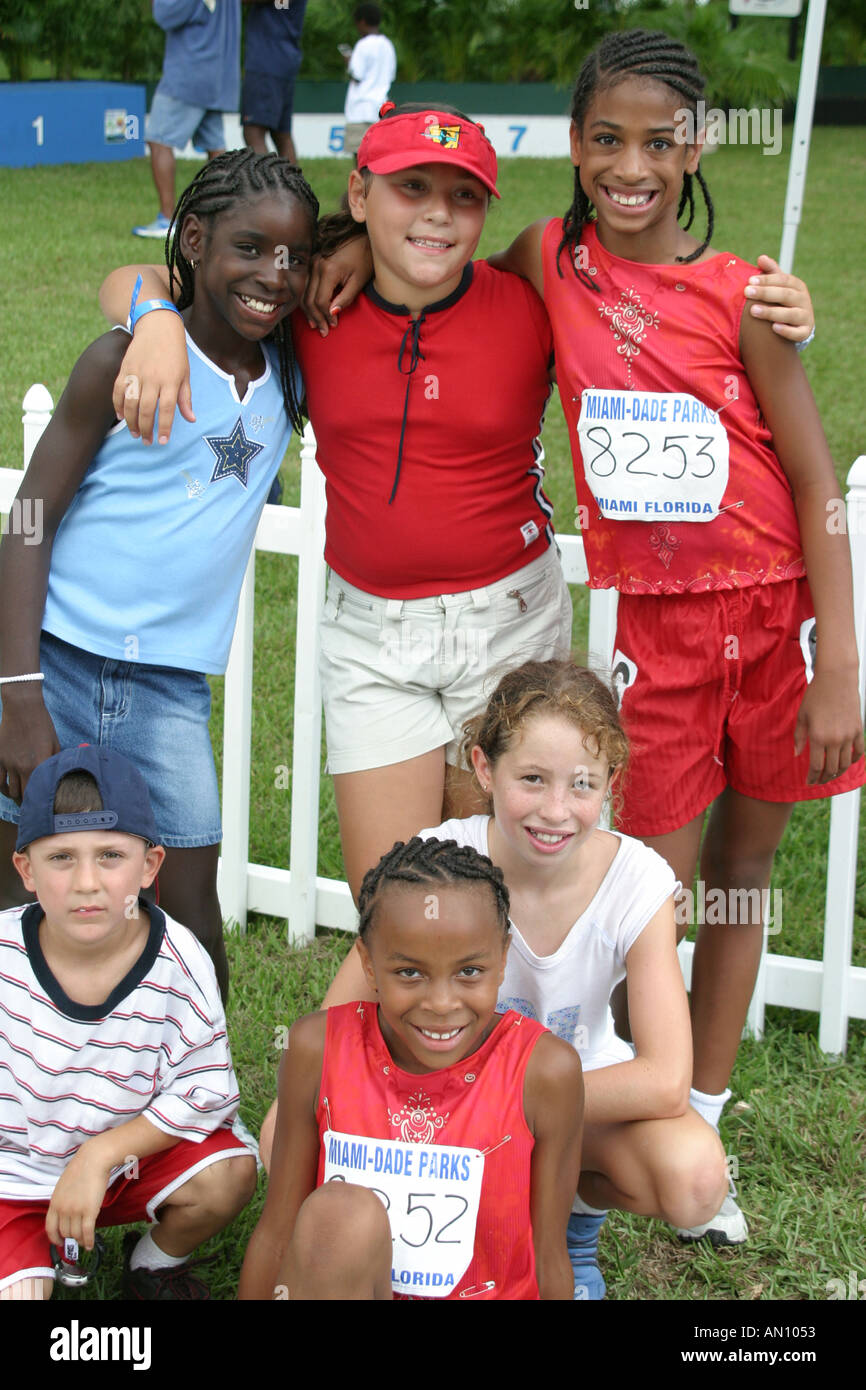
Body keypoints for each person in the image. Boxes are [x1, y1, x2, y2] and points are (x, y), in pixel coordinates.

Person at [482, 30, 864, 1245]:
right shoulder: (551, 256)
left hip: (776, 621)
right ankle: (601, 1131)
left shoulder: (744, 293)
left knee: (741, 882)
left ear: (695, 146)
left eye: (657, 141)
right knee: (640, 886)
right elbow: (444, 284)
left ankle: (696, 1109)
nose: (629, 165)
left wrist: (840, 660)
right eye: (605, 139)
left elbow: (815, 487)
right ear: (577, 144)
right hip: (662, 631)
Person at [100, 105, 574, 905]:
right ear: (359, 192)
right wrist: (152, 323)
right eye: (410, 188)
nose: (437, 213)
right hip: (371, 637)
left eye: (464, 196)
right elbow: (133, 280)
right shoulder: (308, 312)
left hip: (509, 622)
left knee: (497, 899)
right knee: (393, 902)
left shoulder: (528, 303)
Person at [0, 150, 319, 1000]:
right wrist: (19, 697)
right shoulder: (120, 361)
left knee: (190, 920)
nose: (273, 275)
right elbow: (27, 523)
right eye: (249, 249)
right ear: (196, 239)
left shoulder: (293, 370)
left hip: (168, 692)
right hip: (53, 662)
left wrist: (154, 306)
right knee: (18, 895)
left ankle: (203, 1109)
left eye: (294, 257)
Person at [312, 658, 729, 1299]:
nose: (556, 810)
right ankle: (440, 1234)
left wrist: (507, 1100)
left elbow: (667, 1079)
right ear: (484, 769)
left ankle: (569, 1227)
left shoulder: (638, 882)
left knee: (696, 1178)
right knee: (301, 1136)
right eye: (531, 779)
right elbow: (333, 1026)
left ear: (612, 782)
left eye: (582, 784)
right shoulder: (443, 861)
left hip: (571, 1101)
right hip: (435, 1101)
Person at [238, 835, 583, 1300]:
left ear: (503, 959)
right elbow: (278, 1229)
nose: (441, 1004)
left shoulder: (544, 1071)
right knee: (338, 1216)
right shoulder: (317, 1048)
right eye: (409, 973)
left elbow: (548, 1255)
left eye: (469, 972)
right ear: (369, 963)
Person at [0, 745, 257, 1301]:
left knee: (228, 1174)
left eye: (111, 856)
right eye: (61, 857)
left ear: (149, 866)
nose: (87, 882)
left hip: (126, 1166)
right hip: (15, 1177)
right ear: (26, 870)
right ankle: (33, 1253)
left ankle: (151, 1266)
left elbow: (205, 1092)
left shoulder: (179, 957)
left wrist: (99, 1155)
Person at [133, 0, 241, 239]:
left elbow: (165, 14)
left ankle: (167, 219)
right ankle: (222, 220)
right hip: (219, 73)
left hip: (189, 72)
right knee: (216, 148)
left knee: (158, 140)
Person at [242, 0, 309, 163]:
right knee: (281, 134)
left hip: (266, 60)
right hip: (285, 58)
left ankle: (265, 187)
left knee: (253, 130)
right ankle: (294, 188)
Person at [342, 4, 397, 158]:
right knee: (377, 158)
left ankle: (361, 183)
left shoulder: (363, 45)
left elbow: (356, 75)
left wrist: (348, 62)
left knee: (359, 158)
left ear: (362, 21)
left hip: (360, 110)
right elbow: (391, 76)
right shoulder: (388, 45)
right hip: (380, 109)